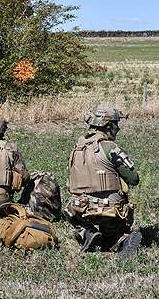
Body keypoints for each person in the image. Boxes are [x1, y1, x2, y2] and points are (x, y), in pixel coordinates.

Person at [64, 105, 141, 257]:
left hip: (81, 210)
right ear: (108, 126)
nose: (117, 128)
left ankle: (88, 233)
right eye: (116, 124)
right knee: (114, 233)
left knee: (69, 208)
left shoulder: (77, 149)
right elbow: (134, 179)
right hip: (112, 211)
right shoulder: (109, 147)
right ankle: (121, 240)